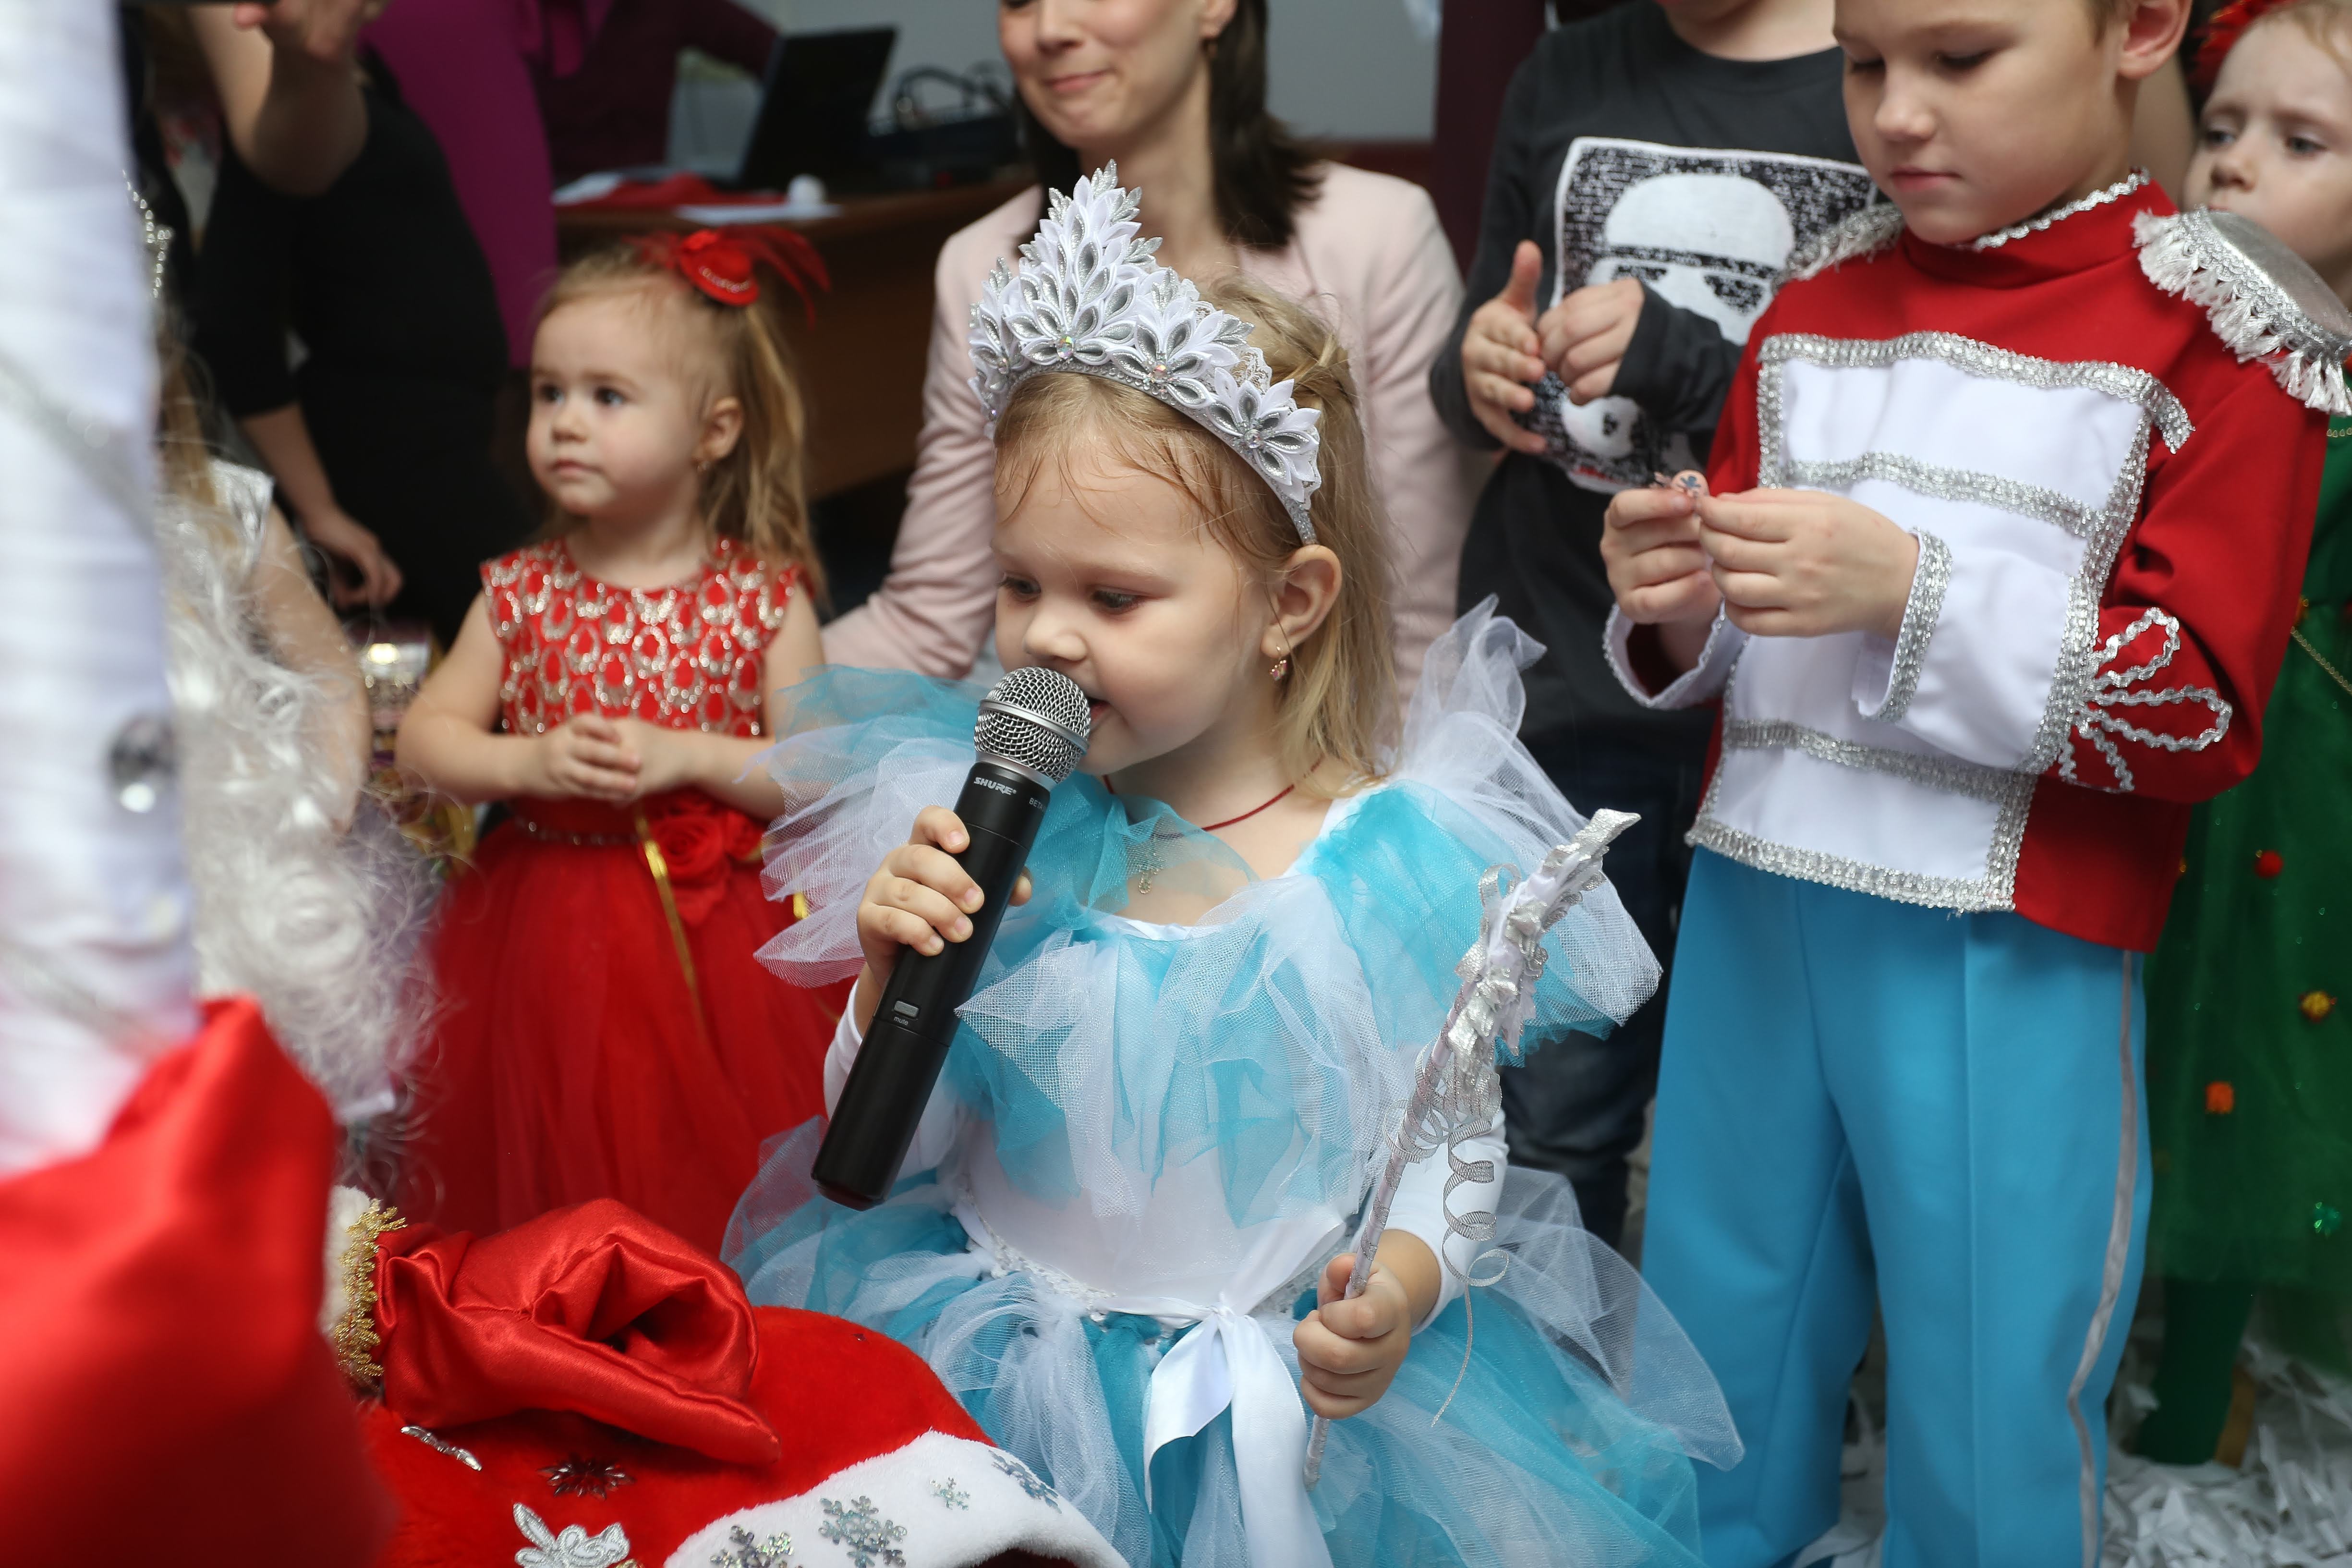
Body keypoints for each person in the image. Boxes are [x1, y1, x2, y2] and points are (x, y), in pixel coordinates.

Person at [728, 168, 1738, 1568]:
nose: (1048, 636)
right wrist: (888, 992)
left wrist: (1395, 1286)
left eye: (1113, 595)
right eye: (1020, 583)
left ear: (1288, 603)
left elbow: (1447, 1143)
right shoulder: (991, 831)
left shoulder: (1384, 864)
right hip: (1002, 1378)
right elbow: (892, 1150)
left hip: (1270, 1415)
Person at [1597, 0, 2339, 1557]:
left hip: (2009, 933)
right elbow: (1736, 645)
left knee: (1993, 1361)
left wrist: (1908, 588)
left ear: (2137, 28)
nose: (1895, 114)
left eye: (1958, 58)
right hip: (1753, 902)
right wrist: (1677, 600)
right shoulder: (1811, 302)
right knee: (1712, 1326)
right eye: (1864, 62)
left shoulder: (2219, 330)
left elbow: (2194, 707)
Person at [1427, 0, 1877, 1250]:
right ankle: (1551, 1359)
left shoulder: (1885, 72)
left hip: (1792, 709)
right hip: (1566, 684)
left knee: (1779, 1124)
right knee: (1549, 1108)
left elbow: (1880, 425)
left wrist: (1679, 351)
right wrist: (1478, 366)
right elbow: (1476, 350)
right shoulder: (1566, 69)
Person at [392, 228, 843, 1255]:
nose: (564, 423)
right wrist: (525, 762)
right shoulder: (518, 591)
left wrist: (689, 755)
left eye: (607, 397)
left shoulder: (763, 599)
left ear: (712, 431)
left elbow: (817, 774)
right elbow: (424, 740)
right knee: (549, 1169)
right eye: (548, 393)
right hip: (541, 931)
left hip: (717, 945)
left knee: (703, 1163)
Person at [821, 0, 1477, 702]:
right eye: (1019, 1)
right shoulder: (982, 265)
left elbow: (1418, 626)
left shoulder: (1379, 237)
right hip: (1076, 724)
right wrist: (740, 675)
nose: (1050, 29)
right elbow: (929, 618)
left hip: (1318, 739)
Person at [2134, 0, 2352, 1467]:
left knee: (2255, 1073)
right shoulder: (2167, 346)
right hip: (2162, 756)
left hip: (2301, 786)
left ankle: (2204, 1382)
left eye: (2298, 140)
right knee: (2144, 1053)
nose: (2232, 164)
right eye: (2219, 129)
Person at [189, 44, 527, 643]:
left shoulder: (353, 74)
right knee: (527, 641)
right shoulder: (285, 115)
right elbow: (232, 324)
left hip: (438, 439)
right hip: (395, 450)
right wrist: (319, 508)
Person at [533, 0, 779, 185]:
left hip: (641, 203)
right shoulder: (523, 14)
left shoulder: (661, 7)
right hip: (544, 200)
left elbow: (774, 53)